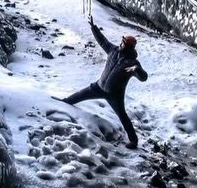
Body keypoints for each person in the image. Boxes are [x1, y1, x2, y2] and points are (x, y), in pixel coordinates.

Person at [60, 16, 148, 148]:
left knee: (123, 117)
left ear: (128, 47)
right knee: (77, 96)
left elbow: (144, 78)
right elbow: (102, 41)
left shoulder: (132, 63)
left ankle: (134, 141)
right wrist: (93, 27)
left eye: (123, 43)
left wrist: (137, 69)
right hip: (98, 87)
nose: (120, 44)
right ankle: (63, 104)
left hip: (115, 95)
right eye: (121, 41)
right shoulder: (113, 51)